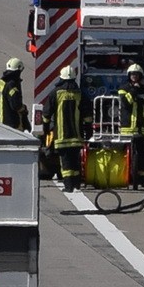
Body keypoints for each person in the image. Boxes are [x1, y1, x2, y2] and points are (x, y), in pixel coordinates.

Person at [43, 64, 91, 193]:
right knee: (75, 160)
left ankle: (68, 186)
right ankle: (76, 184)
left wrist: (46, 130)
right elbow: (87, 116)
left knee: (66, 163)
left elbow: (46, 115)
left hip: (61, 136)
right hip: (77, 136)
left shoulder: (55, 93)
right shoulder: (80, 94)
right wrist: (88, 131)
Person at [117, 63, 144, 188]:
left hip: (142, 128)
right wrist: (135, 90)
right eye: (132, 74)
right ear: (129, 75)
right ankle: (124, 177)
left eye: (137, 74)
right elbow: (126, 103)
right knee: (124, 154)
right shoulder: (124, 88)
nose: (134, 76)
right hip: (127, 128)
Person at [0, 57, 31, 131]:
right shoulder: (12, 85)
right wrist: (23, 109)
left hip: (1, 122)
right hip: (12, 124)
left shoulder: (1, 82)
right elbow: (16, 105)